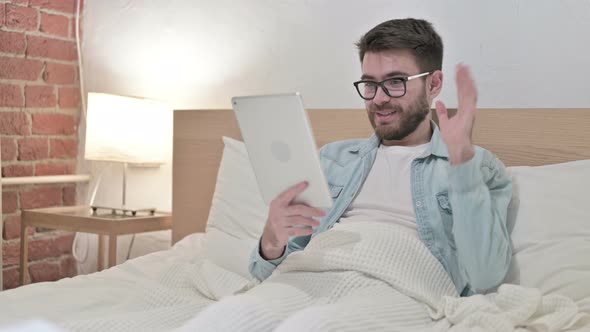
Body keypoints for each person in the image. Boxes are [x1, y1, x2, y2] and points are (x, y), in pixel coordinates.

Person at [250, 17, 512, 297]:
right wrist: (271, 241)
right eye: (370, 84)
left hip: (398, 289)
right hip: (311, 282)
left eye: (396, 82)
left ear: (434, 84)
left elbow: (485, 275)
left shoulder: (476, 166)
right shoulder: (332, 159)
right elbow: (271, 271)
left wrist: (462, 165)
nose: (378, 99)